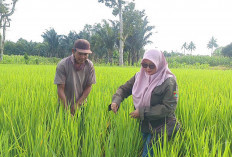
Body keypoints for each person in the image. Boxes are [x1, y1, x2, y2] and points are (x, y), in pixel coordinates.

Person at [110, 49, 180, 157]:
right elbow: (124, 89)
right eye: (144, 64)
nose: (147, 68)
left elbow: (169, 107)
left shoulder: (169, 81)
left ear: (159, 63)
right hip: (145, 124)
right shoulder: (139, 76)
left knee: (147, 154)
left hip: (162, 126)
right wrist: (116, 101)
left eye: (152, 65)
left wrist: (142, 112)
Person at [54, 39, 96, 115]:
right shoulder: (63, 65)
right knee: (63, 125)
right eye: (80, 54)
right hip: (64, 105)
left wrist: (78, 104)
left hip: (81, 104)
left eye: (85, 54)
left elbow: (89, 86)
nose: (83, 57)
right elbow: (60, 89)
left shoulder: (89, 65)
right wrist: (67, 110)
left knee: (82, 125)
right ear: (73, 51)